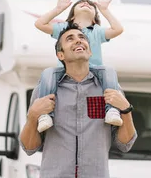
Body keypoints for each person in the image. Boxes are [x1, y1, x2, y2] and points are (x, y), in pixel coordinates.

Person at [19, 23, 137, 177]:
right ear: (61, 55)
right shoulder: (44, 91)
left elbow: (125, 145)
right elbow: (29, 148)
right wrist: (33, 116)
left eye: (82, 37)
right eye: (70, 39)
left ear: (89, 50)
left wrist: (126, 110)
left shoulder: (110, 89)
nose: (78, 40)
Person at [33, 0, 125, 132]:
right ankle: (45, 115)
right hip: (65, 69)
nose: (86, 4)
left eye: (90, 5)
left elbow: (118, 29)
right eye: (81, 3)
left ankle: (111, 110)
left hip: (94, 69)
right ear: (71, 16)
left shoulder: (97, 31)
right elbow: (39, 24)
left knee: (109, 71)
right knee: (48, 73)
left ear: (94, 18)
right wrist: (58, 9)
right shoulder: (64, 28)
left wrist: (105, 10)